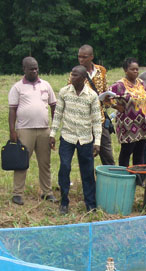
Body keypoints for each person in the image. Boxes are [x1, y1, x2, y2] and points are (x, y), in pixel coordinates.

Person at [49, 66, 102, 215]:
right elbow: (58, 114)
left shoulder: (92, 96)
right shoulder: (64, 92)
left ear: (84, 79)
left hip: (85, 139)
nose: (72, 77)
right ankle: (64, 202)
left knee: (87, 172)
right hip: (67, 137)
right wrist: (52, 134)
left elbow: (97, 121)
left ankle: (90, 205)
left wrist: (97, 142)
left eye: (76, 76)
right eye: (71, 74)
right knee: (64, 168)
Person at [8, 57, 57, 206]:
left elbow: (54, 106)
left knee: (45, 162)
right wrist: (12, 131)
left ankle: (47, 192)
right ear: (24, 69)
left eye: (36, 68)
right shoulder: (17, 87)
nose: (34, 71)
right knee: (21, 162)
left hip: (44, 130)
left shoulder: (46, 85)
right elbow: (12, 111)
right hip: (24, 130)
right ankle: (17, 193)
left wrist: (54, 129)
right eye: (31, 68)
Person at [109, 57, 146, 167]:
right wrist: (116, 106)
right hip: (127, 125)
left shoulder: (141, 83)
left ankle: (138, 176)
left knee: (139, 152)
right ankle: (124, 176)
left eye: (137, 69)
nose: (135, 71)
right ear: (125, 70)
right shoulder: (119, 85)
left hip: (142, 124)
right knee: (127, 151)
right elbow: (105, 97)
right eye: (132, 69)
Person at [77, 44, 115, 165]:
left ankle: (112, 181)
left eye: (84, 57)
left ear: (92, 57)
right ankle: (89, 183)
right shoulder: (76, 72)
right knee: (87, 158)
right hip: (84, 121)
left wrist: (108, 98)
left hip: (100, 119)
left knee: (107, 154)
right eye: (79, 57)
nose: (81, 60)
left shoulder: (101, 71)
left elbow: (104, 88)